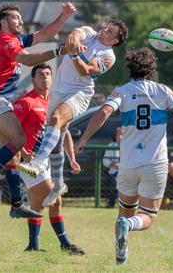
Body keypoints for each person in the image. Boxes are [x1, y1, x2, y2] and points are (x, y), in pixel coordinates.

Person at [74, 47, 173, 265]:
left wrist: (83, 140)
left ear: (130, 68)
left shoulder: (122, 91)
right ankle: (128, 227)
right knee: (148, 216)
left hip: (128, 165)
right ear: (152, 69)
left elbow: (103, 112)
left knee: (124, 212)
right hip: (154, 164)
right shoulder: (161, 90)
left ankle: (121, 258)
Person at [0, 2, 76, 219]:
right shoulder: (5, 42)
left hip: (1, 102)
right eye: (16, 17)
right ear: (3, 21)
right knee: (19, 139)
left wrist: (64, 16)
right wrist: (58, 50)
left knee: (14, 155)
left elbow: (46, 33)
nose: (21, 21)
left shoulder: (17, 39)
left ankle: (16, 204)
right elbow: (28, 60)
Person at [19, 19, 129, 208]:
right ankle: (59, 184)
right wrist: (75, 39)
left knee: (55, 119)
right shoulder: (89, 30)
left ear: (115, 42)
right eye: (108, 26)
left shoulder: (108, 56)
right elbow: (75, 35)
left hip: (80, 92)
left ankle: (37, 162)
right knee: (57, 138)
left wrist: (76, 54)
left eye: (112, 32)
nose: (107, 29)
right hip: (59, 89)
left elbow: (85, 70)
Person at [9, 63, 85, 254]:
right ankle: (65, 244)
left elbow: (63, 133)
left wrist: (72, 157)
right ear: (33, 79)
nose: (45, 77)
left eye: (48, 74)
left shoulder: (55, 103)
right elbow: (11, 130)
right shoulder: (26, 102)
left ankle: (33, 246)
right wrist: (23, 152)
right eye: (41, 74)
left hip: (47, 160)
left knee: (42, 202)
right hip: (29, 160)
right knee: (53, 197)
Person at [103, 127, 123, 208]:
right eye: (118, 135)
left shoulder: (129, 147)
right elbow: (105, 161)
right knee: (114, 187)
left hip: (125, 172)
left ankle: (123, 204)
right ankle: (111, 204)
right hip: (114, 172)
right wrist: (112, 164)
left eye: (122, 135)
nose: (120, 137)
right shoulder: (111, 146)